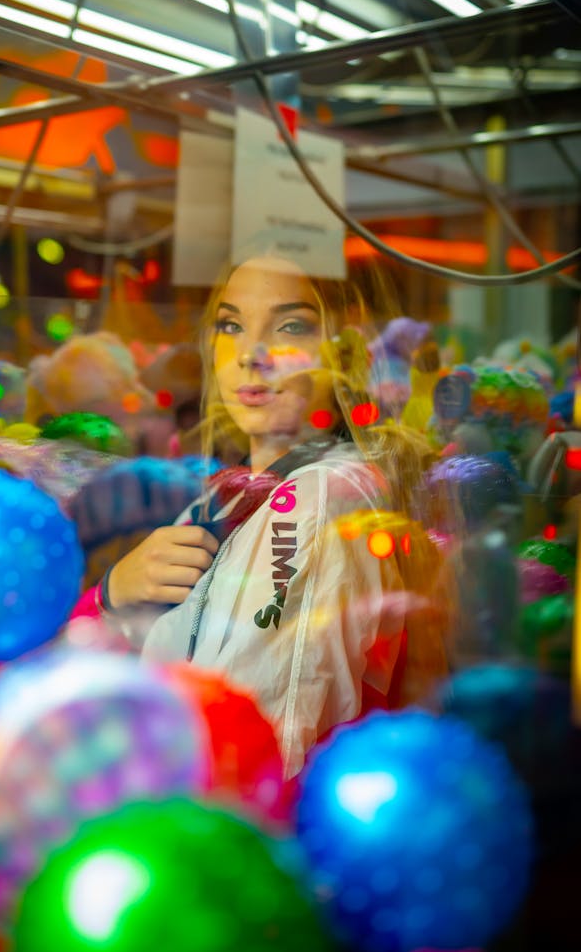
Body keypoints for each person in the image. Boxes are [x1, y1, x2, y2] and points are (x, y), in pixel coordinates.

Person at [88, 255, 449, 777]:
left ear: (342, 354)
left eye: (291, 326)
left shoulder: (316, 498)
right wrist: (113, 594)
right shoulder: (232, 495)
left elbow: (271, 759)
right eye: (231, 324)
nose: (252, 354)